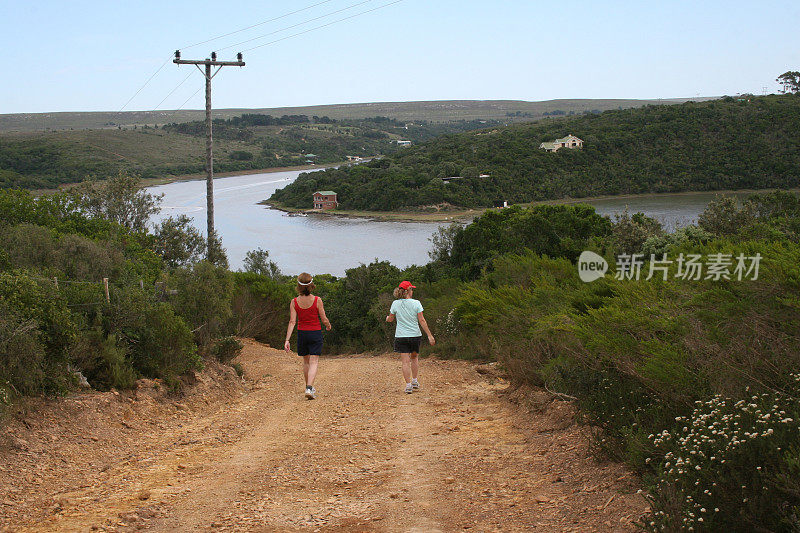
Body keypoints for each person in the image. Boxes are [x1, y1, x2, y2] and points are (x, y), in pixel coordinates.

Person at [284, 272, 331, 399]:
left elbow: (292, 321)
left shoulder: (294, 302)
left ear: (298, 286)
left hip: (302, 334)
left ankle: (308, 387)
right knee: (314, 361)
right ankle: (309, 388)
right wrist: (328, 325)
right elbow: (323, 318)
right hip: (315, 333)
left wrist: (287, 340)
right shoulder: (317, 300)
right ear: (311, 285)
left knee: (306, 361)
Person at [386, 280, 435, 394]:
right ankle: (414, 381)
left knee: (405, 362)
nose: (412, 291)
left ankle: (408, 386)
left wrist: (387, 318)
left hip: (401, 337)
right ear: (408, 291)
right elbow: (422, 320)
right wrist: (429, 335)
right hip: (414, 336)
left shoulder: (395, 304)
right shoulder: (416, 303)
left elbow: (391, 319)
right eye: (412, 289)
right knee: (414, 358)